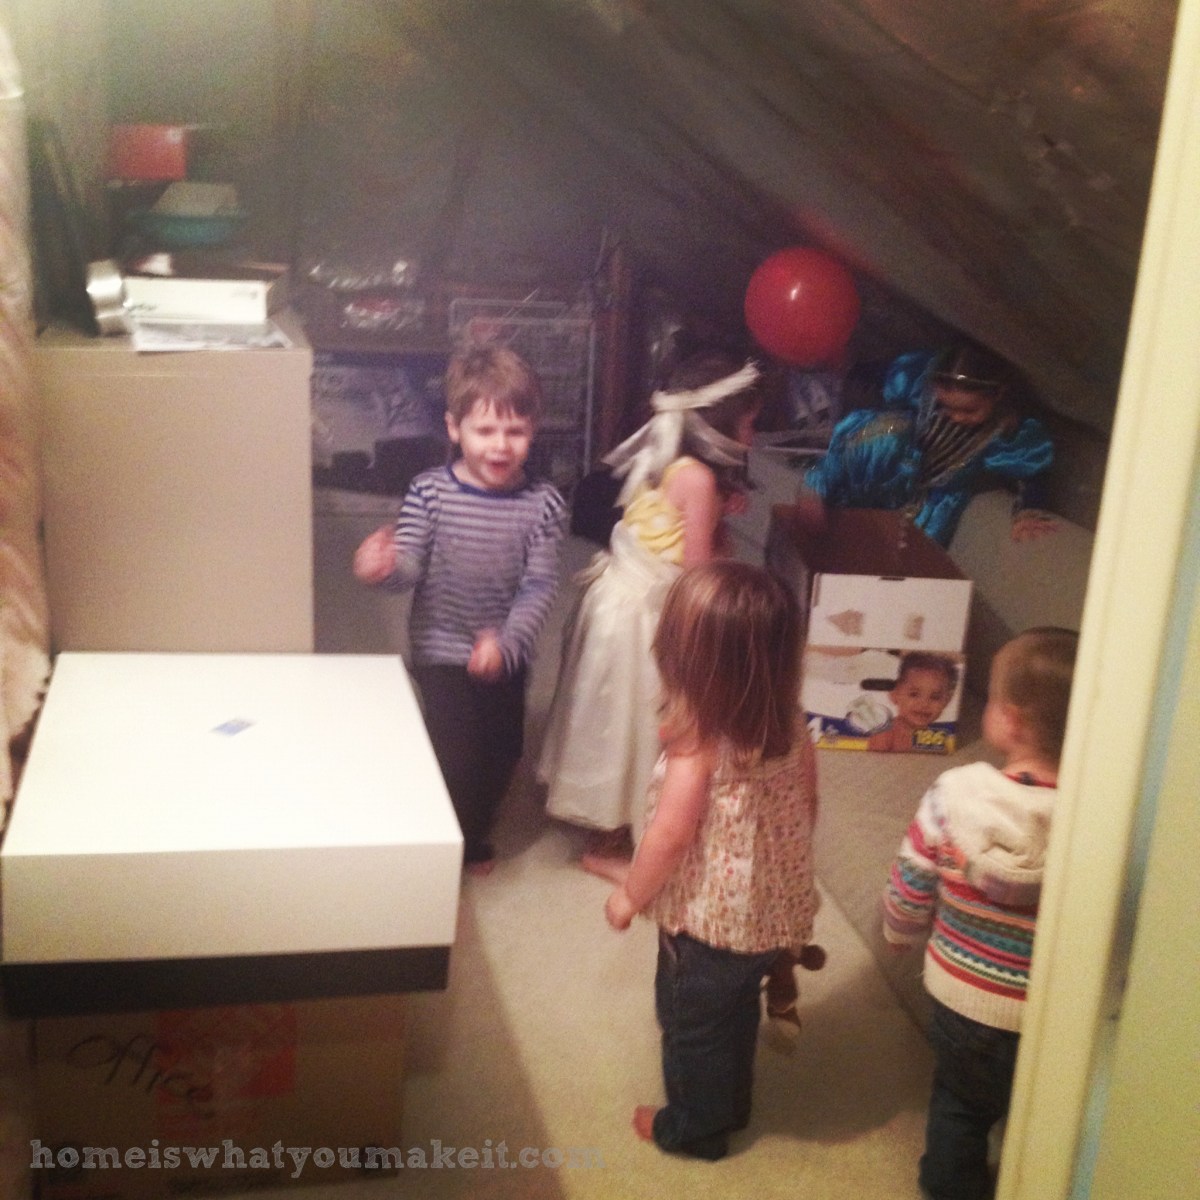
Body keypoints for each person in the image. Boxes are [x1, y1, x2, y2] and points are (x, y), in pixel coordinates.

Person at [604, 561, 820, 1161]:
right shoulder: (792, 725)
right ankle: (733, 1103)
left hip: (707, 928)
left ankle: (695, 1128)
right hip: (769, 918)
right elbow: (809, 802)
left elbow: (669, 839)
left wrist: (629, 896)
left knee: (692, 1028)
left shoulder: (697, 748)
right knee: (737, 1011)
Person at [536, 352, 762, 882]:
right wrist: (725, 544)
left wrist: (717, 509)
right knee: (638, 716)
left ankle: (611, 822)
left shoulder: (667, 460)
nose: (752, 436)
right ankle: (613, 839)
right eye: (749, 424)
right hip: (644, 615)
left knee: (608, 712)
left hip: (616, 599)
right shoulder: (699, 481)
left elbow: (668, 525)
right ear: (719, 426)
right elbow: (698, 571)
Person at [353, 344, 567, 875]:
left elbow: (539, 586)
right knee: (457, 752)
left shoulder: (544, 503)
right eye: (484, 430)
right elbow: (409, 567)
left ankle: (474, 817)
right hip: (440, 643)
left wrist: (507, 645)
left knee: (503, 752)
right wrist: (381, 569)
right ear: (454, 428)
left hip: (506, 648)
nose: (500, 445)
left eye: (515, 431)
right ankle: (457, 842)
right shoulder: (428, 492)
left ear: (533, 430)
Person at [882, 626, 1079, 1200]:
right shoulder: (1094, 812)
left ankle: (950, 1187)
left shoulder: (953, 794)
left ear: (1010, 721)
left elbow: (912, 879)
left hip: (961, 998)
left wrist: (898, 930)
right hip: (1051, 1012)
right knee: (1041, 1111)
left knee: (959, 1104)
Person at [796, 340, 1057, 547]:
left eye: (969, 411)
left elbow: (1032, 474)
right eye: (945, 407)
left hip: (934, 501)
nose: (956, 417)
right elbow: (876, 375)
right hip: (892, 470)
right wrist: (845, 366)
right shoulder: (919, 386)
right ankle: (820, 486)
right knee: (886, 430)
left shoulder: (1006, 427)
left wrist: (1029, 510)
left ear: (997, 395)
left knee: (908, 552)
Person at [867, 652, 960, 753]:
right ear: (894, 694)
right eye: (914, 694)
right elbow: (873, 758)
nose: (924, 704)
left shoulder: (934, 736)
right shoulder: (885, 732)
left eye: (935, 697)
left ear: (947, 701)